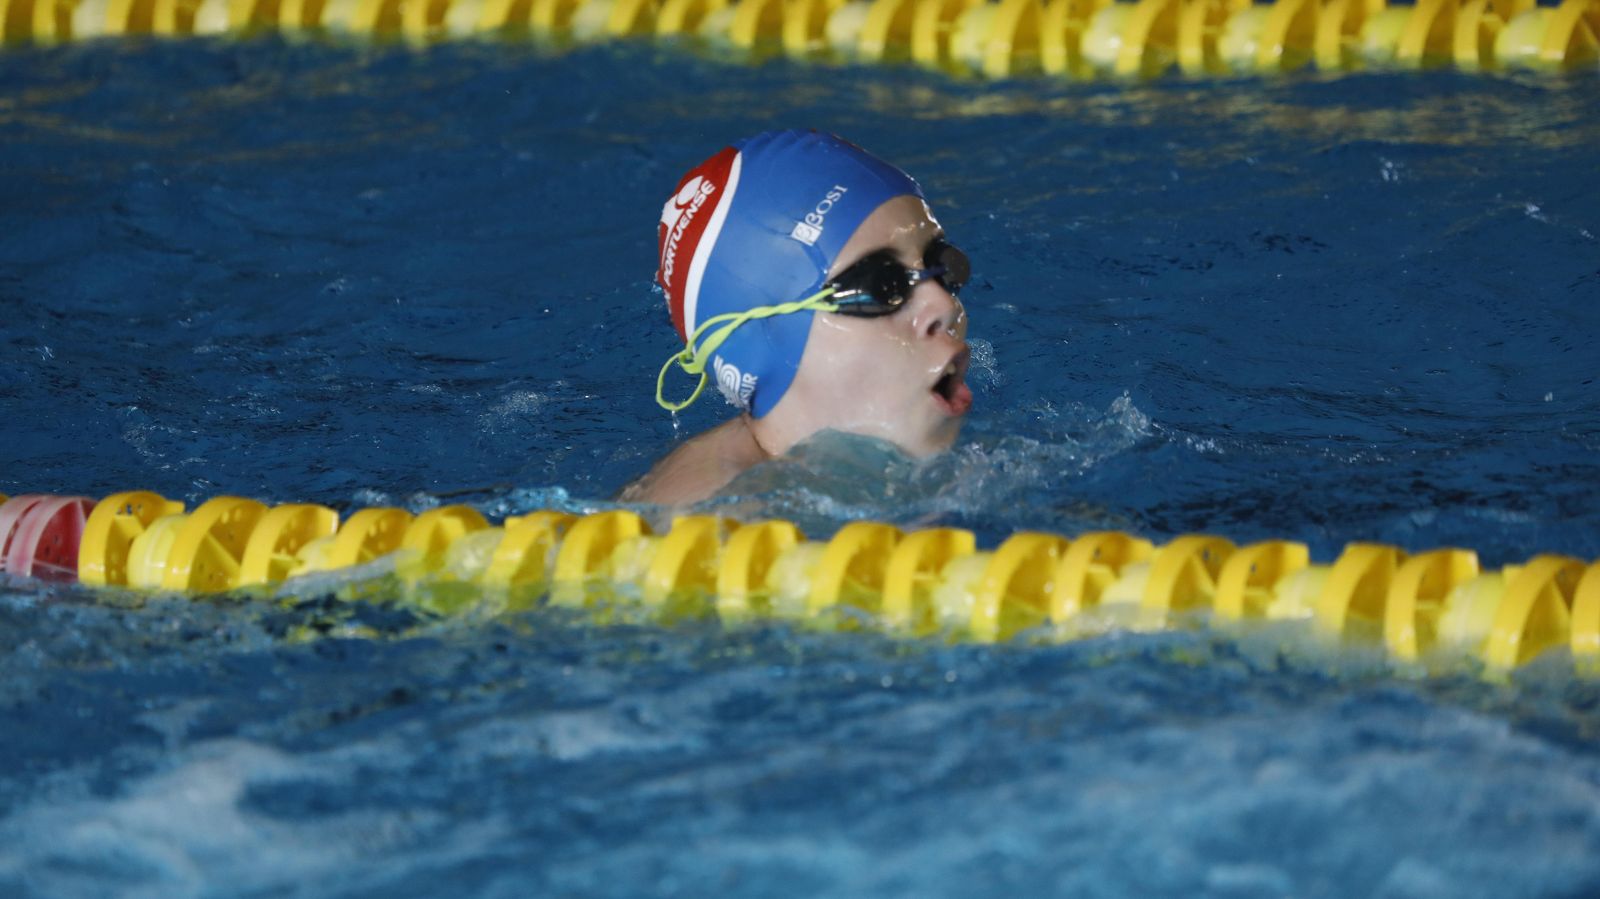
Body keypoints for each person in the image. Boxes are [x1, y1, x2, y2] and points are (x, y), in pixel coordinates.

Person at [622, 130, 973, 505]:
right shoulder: (708, 520)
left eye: (940, 264)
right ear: (758, 346)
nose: (943, 305)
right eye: (881, 284)